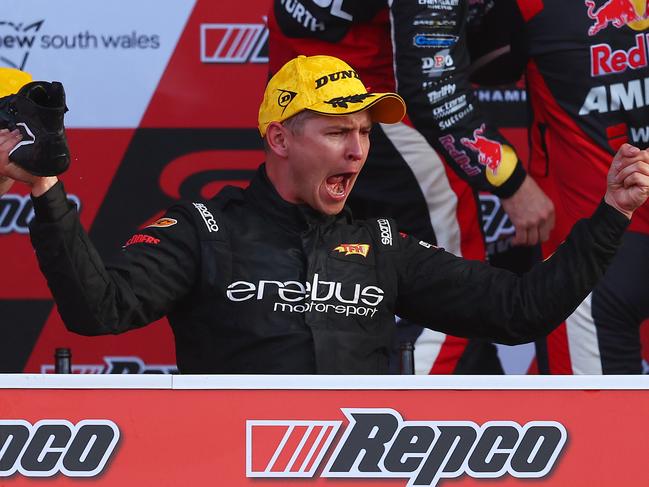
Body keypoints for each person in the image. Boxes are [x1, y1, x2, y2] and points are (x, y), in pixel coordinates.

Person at [0, 54, 647, 374]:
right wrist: (49, 190)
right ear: (279, 138)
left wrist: (611, 214)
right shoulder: (202, 228)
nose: (358, 149)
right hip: (223, 463)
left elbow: (520, 311)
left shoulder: (382, 241)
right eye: (338, 130)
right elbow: (99, 310)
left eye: (364, 132)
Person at [268, 0, 555, 373]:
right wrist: (513, 183)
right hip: (380, 117)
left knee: (335, 293)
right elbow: (433, 92)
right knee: (454, 295)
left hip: (293, 114)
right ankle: (403, 418)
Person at [469, 0, 649, 373]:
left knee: (595, 421)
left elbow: (456, 73)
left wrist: (510, 181)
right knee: (598, 419)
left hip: (588, 239)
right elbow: (445, 79)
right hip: (589, 242)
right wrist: (513, 182)